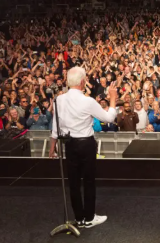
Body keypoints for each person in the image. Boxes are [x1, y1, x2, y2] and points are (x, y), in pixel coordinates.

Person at [48, 67, 119, 229]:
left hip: (70, 144)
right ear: (82, 82)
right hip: (86, 144)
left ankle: (79, 218)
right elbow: (108, 118)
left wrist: (52, 145)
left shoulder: (58, 100)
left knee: (73, 182)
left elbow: (55, 125)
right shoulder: (88, 101)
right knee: (88, 181)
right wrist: (113, 98)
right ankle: (89, 218)